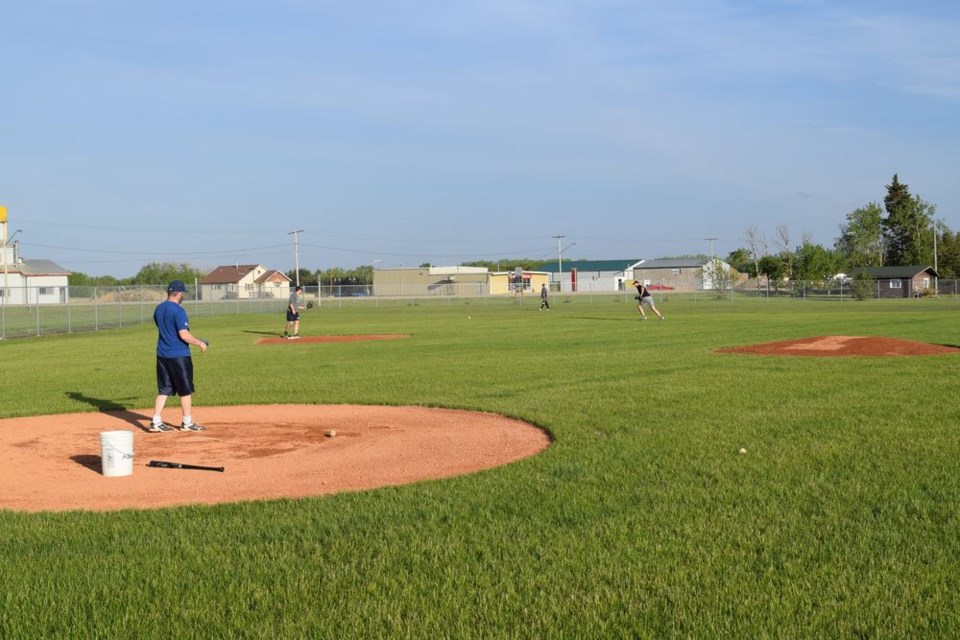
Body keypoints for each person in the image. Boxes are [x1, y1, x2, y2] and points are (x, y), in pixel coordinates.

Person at [150, 280, 208, 432]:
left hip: (162, 354)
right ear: (179, 294)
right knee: (185, 390)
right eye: (182, 294)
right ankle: (187, 422)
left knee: (164, 389)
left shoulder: (158, 309)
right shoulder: (178, 311)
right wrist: (200, 342)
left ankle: (156, 421)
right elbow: (184, 335)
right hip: (178, 355)